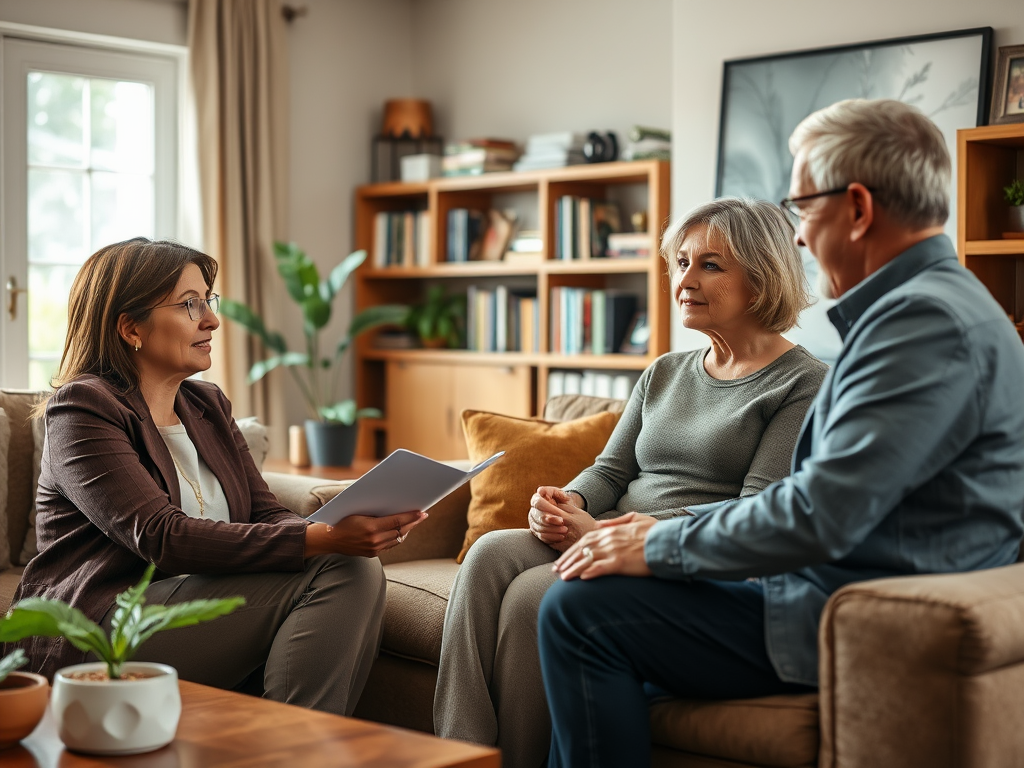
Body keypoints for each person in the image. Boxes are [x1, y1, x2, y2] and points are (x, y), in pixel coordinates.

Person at [537, 98, 1024, 768]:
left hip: (843, 606)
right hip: (827, 584)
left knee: (577, 611)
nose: (796, 236)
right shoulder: (930, 307)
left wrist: (659, 541)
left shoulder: (922, 325)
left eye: (802, 208)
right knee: (580, 595)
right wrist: (652, 534)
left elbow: (819, 514)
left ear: (856, 208)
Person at [434, 198, 829, 768]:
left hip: (675, 557)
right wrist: (569, 499)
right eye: (682, 262)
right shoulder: (664, 371)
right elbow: (610, 470)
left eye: (710, 266)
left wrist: (614, 532)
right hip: (601, 529)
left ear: (762, 278)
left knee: (530, 595)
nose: (685, 280)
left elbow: (756, 509)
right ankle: (458, 754)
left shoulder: (802, 384)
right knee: (489, 555)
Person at [7, 237, 427, 715]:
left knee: (352, 565)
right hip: (105, 623)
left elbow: (264, 510)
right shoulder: (83, 408)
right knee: (337, 565)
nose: (211, 319)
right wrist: (323, 539)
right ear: (130, 328)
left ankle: (298, 746)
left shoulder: (206, 404)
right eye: (189, 305)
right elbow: (162, 537)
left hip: (196, 605)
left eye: (208, 301)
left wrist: (344, 525)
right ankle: (301, 751)